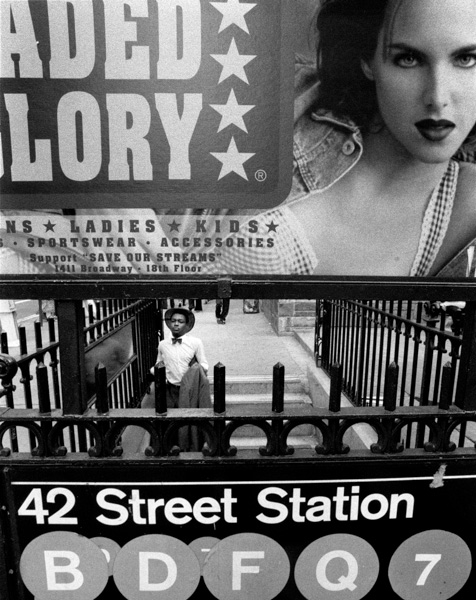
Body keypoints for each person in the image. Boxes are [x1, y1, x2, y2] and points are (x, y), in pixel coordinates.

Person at [203, 0, 476, 277]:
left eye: (466, 59)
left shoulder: (467, 202)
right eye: (409, 59)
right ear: (366, 59)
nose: (438, 98)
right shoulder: (278, 104)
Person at [155, 307, 209, 408]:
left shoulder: (195, 343)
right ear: (169, 324)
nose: (176, 324)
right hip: (170, 389)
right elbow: (159, 364)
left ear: (186, 325)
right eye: (173, 321)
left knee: (189, 417)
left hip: (190, 389)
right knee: (171, 418)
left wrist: (195, 372)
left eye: (180, 321)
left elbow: (204, 364)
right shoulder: (163, 344)